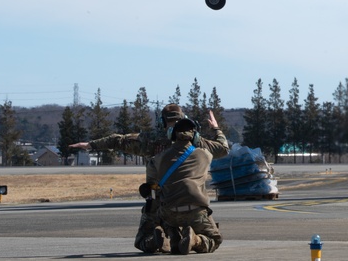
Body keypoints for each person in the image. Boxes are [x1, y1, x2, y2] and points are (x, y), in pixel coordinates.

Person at [71, 104, 229, 254]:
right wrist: (215, 128)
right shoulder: (196, 143)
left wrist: (91, 145)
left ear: (161, 122)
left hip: (159, 199)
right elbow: (223, 149)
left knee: (142, 238)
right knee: (209, 233)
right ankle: (182, 238)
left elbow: (118, 140)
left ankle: (156, 241)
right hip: (192, 202)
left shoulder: (150, 140)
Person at [146, 107, 229, 254]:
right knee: (215, 239)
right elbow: (223, 148)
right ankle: (195, 240)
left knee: (161, 209)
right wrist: (216, 128)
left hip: (169, 213)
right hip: (195, 212)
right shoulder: (204, 154)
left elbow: (151, 188)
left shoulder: (158, 158)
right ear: (195, 136)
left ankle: (172, 235)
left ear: (172, 135)